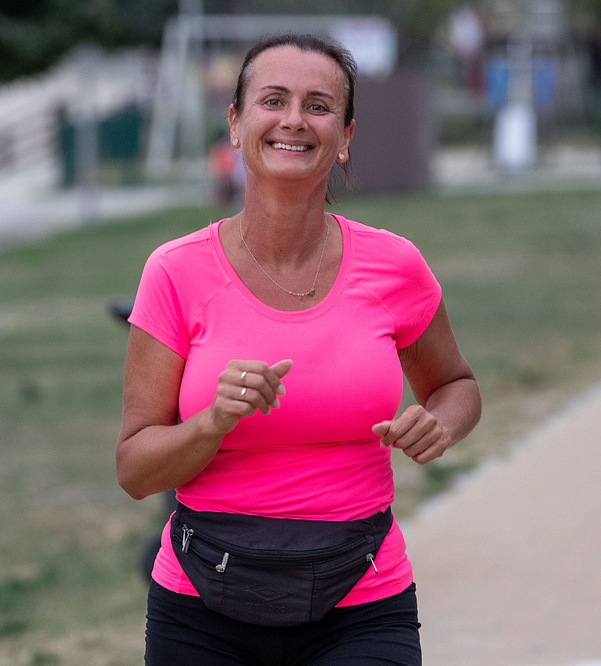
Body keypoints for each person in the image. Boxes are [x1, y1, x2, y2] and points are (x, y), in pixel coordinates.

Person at [116, 33, 481, 665]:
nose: (294, 120)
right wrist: (211, 423)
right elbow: (134, 470)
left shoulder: (395, 265)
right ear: (236, 124)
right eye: (273, 100)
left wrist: (441, 422)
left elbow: (456, 385)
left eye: (318, 105)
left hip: (361, 599)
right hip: (201, 605)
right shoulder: (174, 271)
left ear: (344, 136)